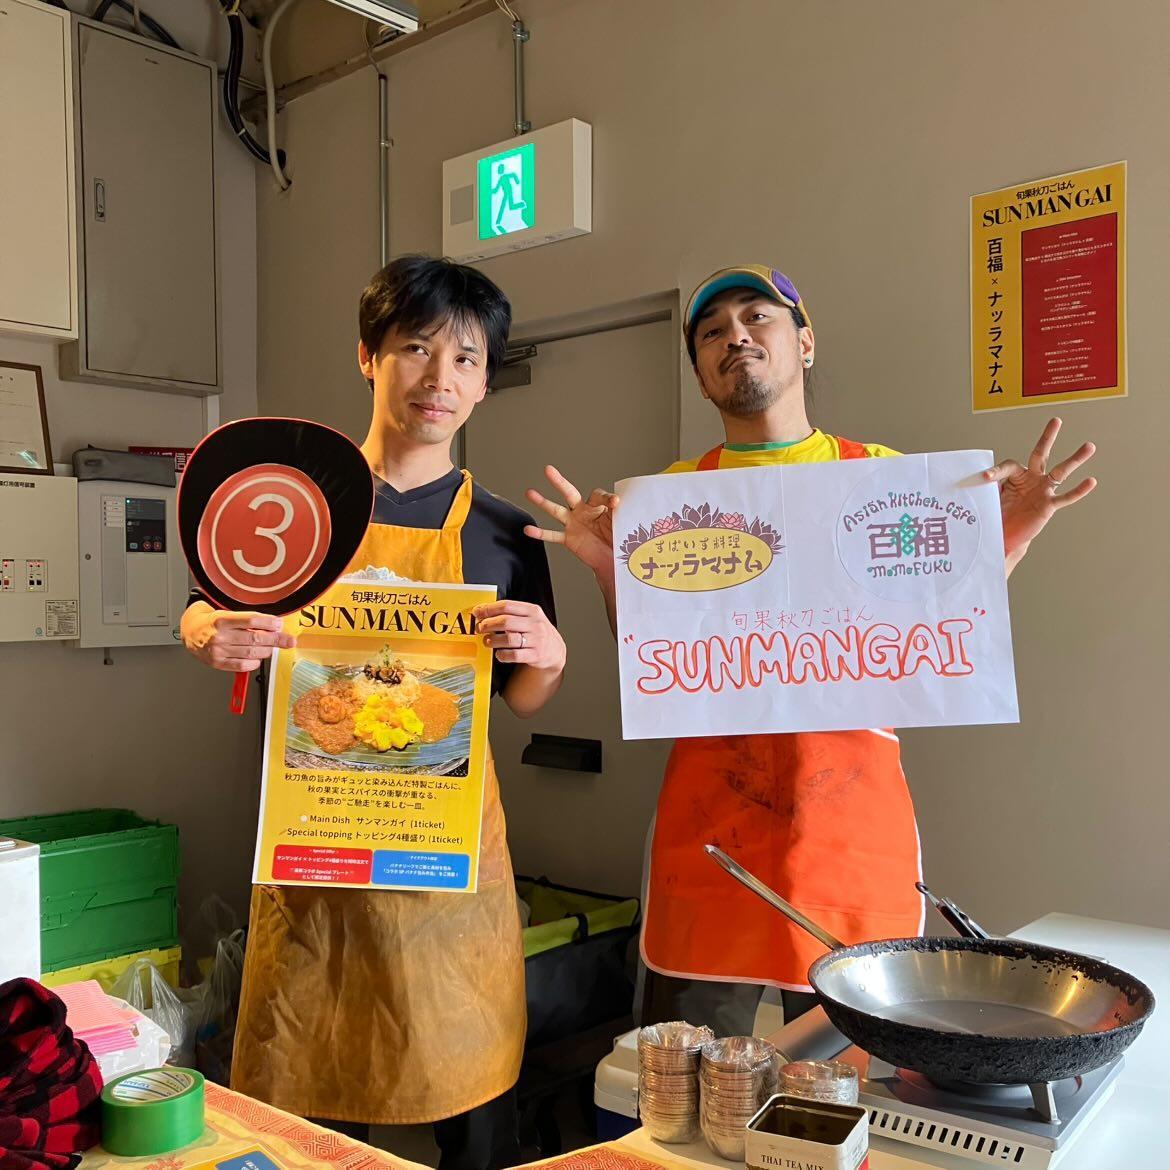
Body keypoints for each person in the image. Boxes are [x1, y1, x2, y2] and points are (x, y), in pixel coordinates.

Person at [524, 263, 1097, 1036]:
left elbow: (937, 625)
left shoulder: (884, 479)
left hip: (849, 820)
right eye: (711, 331)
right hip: (713, 824)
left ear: (806, 342)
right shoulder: (670, 498)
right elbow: (654, 658)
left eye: (756, 317)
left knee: (848, 1072)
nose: (735, 336)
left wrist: (1012, 535)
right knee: (689, 1072)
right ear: (700, 373)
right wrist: (605, 565)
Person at [180, 255, 566, 1170]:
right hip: (317, 855)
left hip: (447, 863)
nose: (441, 378)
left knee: (470, 1102)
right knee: (312, 1109)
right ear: (368, 357)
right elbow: (206, 602)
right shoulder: (296, 503)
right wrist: (207, 634)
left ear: (485, 381)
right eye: (416, 349)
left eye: (467, 359)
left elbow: (521, 694)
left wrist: (551, 656)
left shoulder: (505, 532)